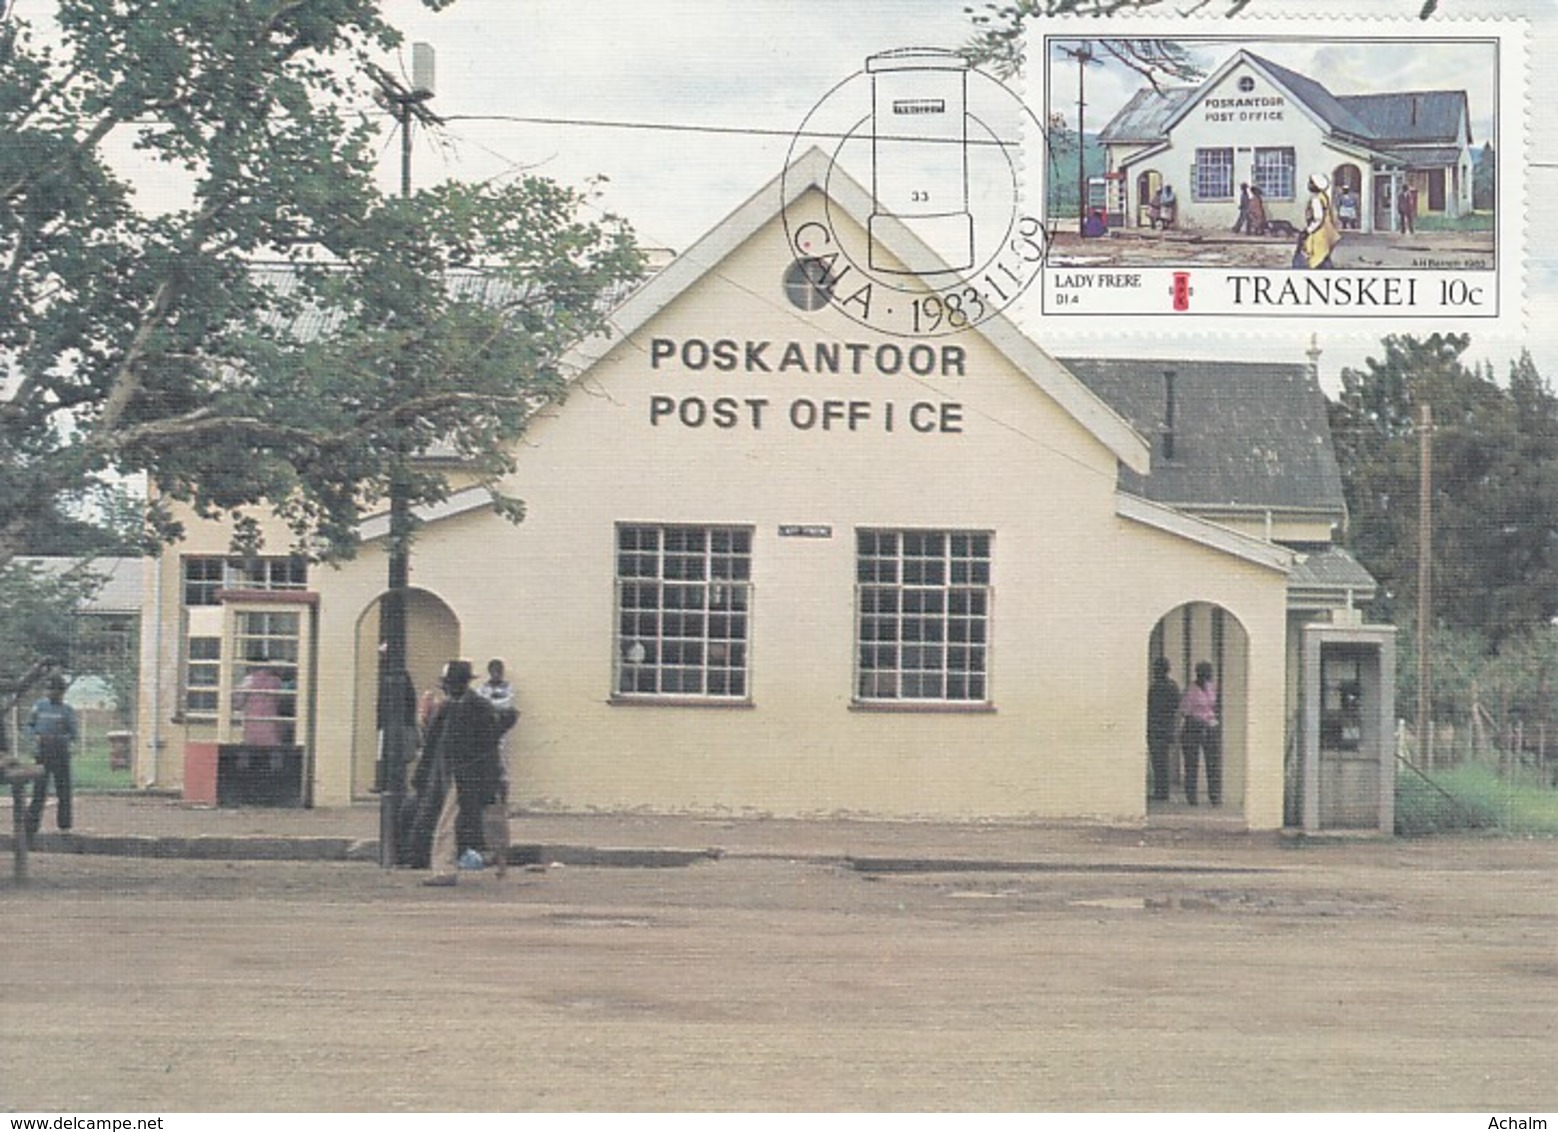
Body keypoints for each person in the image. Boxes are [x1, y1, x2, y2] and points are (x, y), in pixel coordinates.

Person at [420, 659, 502, 886]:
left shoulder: (475, 707)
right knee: (471, 820)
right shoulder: (451, 707)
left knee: (449, 822)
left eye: (450, 683)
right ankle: (495, 860)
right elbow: (434, 740)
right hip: (453, 772)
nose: (447, 688)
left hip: (468, 772)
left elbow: (488, 742)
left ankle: (444, 870)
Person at [476, 658, 520, 876]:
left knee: (503, 772)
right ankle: (497, 857)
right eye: (492, 670)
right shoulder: (483, 688)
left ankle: (499, 857)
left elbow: (506, 704)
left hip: (497, 740)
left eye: (497, 671)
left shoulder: (506, 688)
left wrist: (491, 705)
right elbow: (490, 704)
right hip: (487, 741)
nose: (495, 674)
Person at [26, 674, 78, 842]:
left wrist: (61, 739)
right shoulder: (39, 707)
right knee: (39, 790)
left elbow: (73, 733)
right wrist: (35, 737)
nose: (51, 693)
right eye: (48, 689)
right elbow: (29, 726)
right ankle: (31, 827)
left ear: (61, 692)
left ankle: (64, 826)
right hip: (43, 753)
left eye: (55, 690)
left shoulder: (66, 710)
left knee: (63, 790)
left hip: (60, 753)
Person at [1178, 661, 1221, 806]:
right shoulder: (1191, 690)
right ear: (1200, 673)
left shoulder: (1211, 687)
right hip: (1193, 728)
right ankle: (1192, 796)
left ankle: (1214, 795)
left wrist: (1212, 723)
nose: (1209, 675)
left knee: (1213, 762)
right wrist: (1200, 722)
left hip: (1210, 727)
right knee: (1192, 763)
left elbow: (1214, 707)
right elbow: (1185, 711)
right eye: (1207, 673)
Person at [1146, 656, 1180, 803]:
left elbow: (1150, 707)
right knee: (1164, 760)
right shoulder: (1173, 686)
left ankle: (1160, 791)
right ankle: (1163, 790)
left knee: (1157, 761)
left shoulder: (1154, 688)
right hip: (1167, 728)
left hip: (1155, 728)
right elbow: (1177, 705)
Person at [234, 664, 284, 746]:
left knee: (252, 745)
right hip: (270, 720)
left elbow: (239, 701)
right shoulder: (277, 681)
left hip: (252, 719)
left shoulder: (249, 679)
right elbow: (278, 700)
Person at [1299, 173, 1341, 269]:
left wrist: (1308, 230)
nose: (1308, 185)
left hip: (1319, 231)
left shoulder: (1316, 199)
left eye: (1311, 183)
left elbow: (1318, 218)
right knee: (1324, 255)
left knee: (1317, 257)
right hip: (1326, 229)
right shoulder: (1324, 196)